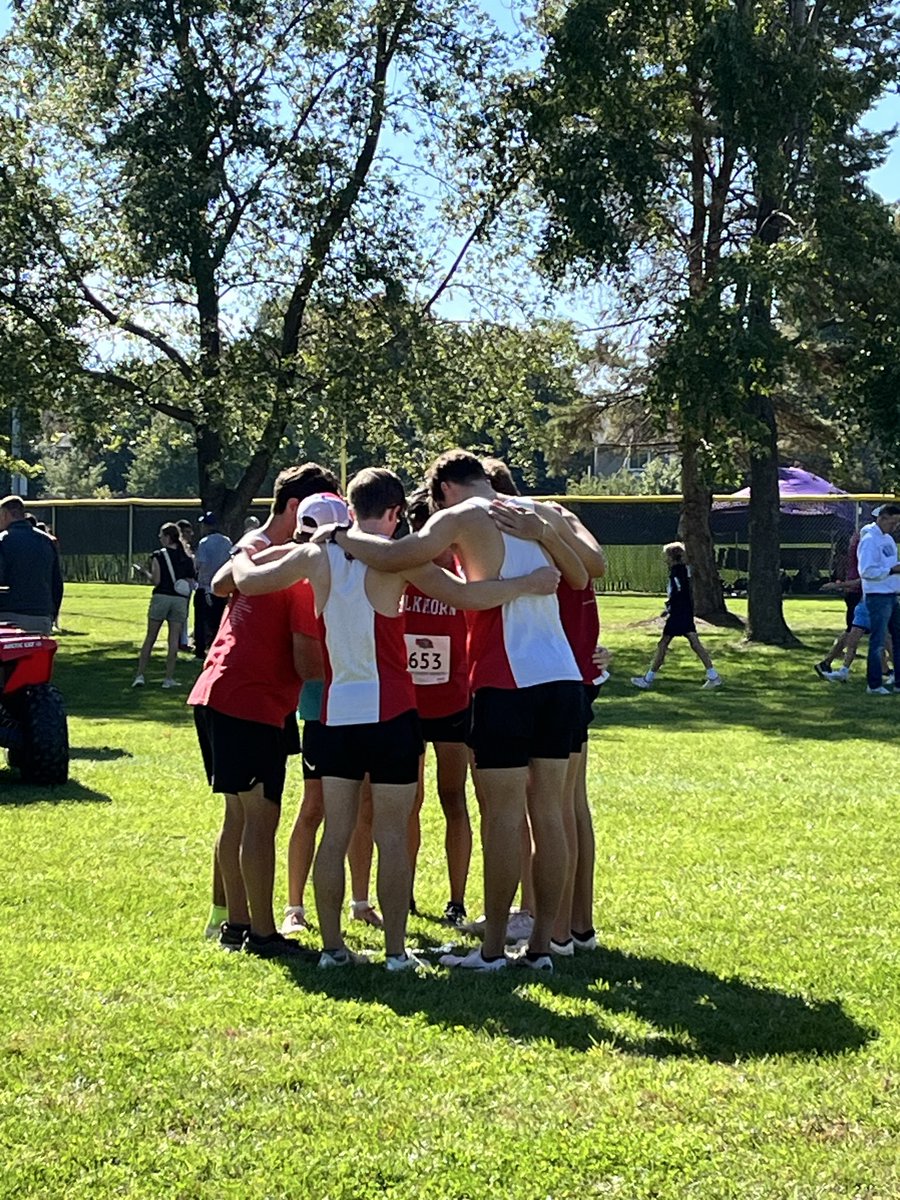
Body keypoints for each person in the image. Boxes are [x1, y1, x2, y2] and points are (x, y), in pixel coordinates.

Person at [232, 465, 563, 972]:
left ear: (350, 507)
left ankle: (333, 949)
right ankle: (394, 952)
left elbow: (248, 581)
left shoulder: (316, 552)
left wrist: (244, 551)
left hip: (335, 714)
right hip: (391, 715)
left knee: (336, 833)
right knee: (391, 834)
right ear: (393, 514)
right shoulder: (399, 562)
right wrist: (529, 583)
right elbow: (468, 597)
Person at [312, 450, 589, 973]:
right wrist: (546, 534)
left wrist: (340, 536)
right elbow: (580, 574)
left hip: (506, 678)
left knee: (504, 816)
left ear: (441, 490)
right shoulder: (538, 510)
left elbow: (396, 557)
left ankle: (492, 951)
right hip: (562, 677)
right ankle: (546, 947)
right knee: (550, 813)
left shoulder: (459, 516)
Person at [194, 463, 341, 957]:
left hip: (219, 692)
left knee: (238, 815)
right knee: (259, 820)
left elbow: (222, 584)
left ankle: (236, 923)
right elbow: (305, 658)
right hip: (250, 699)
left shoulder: (264, 553)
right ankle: (261, 932)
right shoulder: (295, 573)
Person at [281, 492, 385, 936]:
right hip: (323, 707)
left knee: (364, 807)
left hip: (360, 704)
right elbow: (307, 663)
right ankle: (294, 906)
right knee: (315, 806)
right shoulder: (308, 580)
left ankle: (360, 901)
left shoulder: (360, 569)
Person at [402, 488, 473, 927]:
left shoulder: (463, 573)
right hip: (407, 703)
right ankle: (402, 890)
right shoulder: (400, 569)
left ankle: (457, 898)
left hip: (452, 700)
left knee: (453, 798)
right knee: (407, 800)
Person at [631, 542, 722, 690]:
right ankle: (713, 676)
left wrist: (670, 608)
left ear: (671, 557)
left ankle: (647, 680)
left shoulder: (676, 572)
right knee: (694, 643)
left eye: (666, 556)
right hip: (685, 612)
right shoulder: (685, 571)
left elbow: (677, 591)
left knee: (663, 644)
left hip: (678, 614)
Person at [132, 523, 194, 688]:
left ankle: (140, 675)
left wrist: (144, 572)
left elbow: (156, 580)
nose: (159, 538)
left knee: (150, 638)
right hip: (179, 600)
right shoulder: (186, 557)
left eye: (161, 535)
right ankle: (168, 678)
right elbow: (190, 581)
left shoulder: (159, 555)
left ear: (167, 537)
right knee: (173, 640)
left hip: (161, 597)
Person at [0, 495, 64, 634]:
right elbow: (57, 583)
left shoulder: (3, 540)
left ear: (5, 514)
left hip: (8, 616)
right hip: (41, 616)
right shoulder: (47, 541)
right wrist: (52, 615)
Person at [855, 503, 900, 694]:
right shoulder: (869, 540)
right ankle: (874, 684)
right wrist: (891, 570)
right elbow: (866, 570)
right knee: (878, 641)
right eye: (893, 522)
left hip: (892, 594)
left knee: (898, 639)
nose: (895, 526)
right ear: (882, 518)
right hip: (877, 596)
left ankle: (898, 682)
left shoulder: (888, 539)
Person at [193, 513, 232, 659]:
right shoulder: (227, 541)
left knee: (201, 620)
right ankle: (218, 646)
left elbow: (200, 564)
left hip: (205, 586)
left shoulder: (204, 542)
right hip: (222, 587)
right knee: (218, 619)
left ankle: (200, 649)